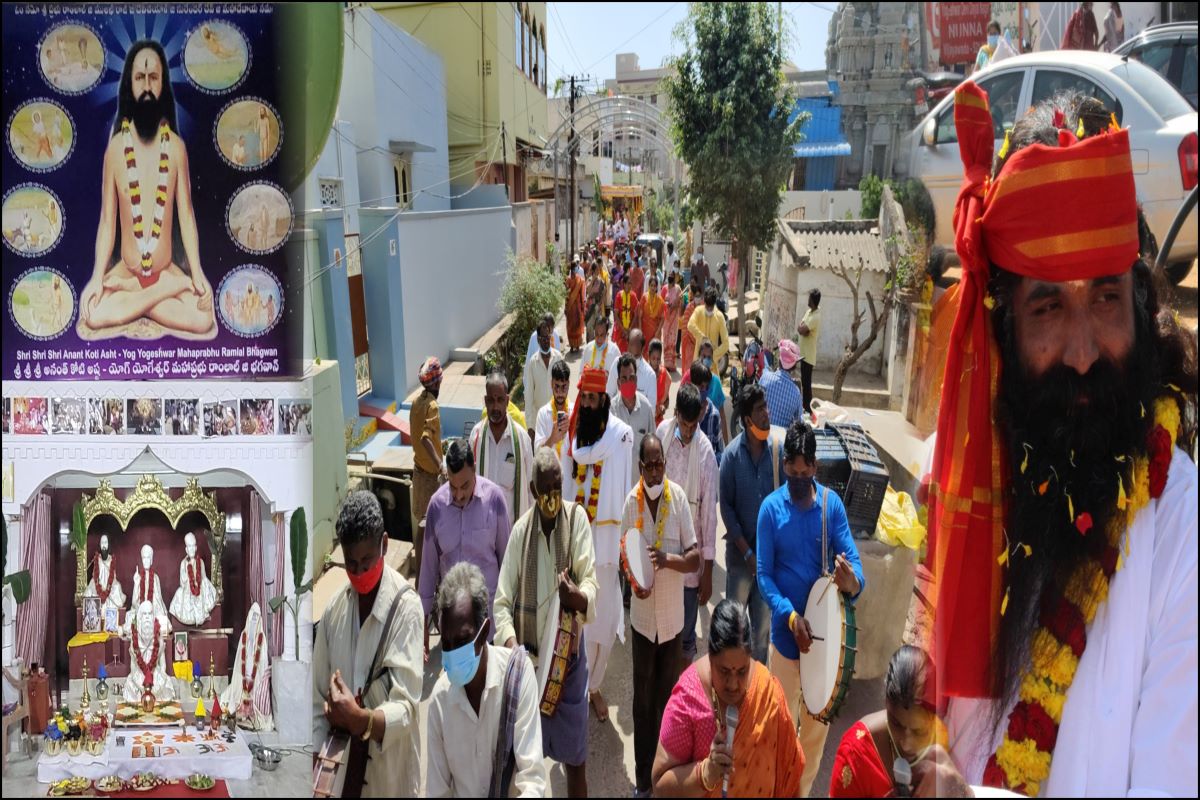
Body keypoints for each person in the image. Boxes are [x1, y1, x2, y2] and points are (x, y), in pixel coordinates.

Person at [925, 85, 1198, 797]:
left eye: (1105, 297)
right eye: (1048, 306)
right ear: (1004, 325)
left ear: (1140, 303)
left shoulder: (1182, 530)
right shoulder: (967, 487)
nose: (1083, 352)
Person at [79, 40, 215, 340]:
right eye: (140, 79)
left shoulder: (176, 149)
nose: (147, 87)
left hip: (166, 269)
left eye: (154, 78)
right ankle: (162, 293)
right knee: (92, 312)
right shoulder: (115, 151)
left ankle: (144, 297)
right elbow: (106, 222)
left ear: (163, 84)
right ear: (130, 84)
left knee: (203, 318)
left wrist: (198, 272)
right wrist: (97, 277)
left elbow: (187, 216)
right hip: (127, 270)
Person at [757, 420, 865, 797]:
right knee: (781, 730)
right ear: (784, 465)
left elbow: (855, 567)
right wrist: (789, 615)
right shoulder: (770, 510)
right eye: (793, 471)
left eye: (806, 472)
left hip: (824, 649)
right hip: (786, 645)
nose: (799, 478)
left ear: (816, 468)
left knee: (814, 738)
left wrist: (851, 581)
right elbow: (763, 575)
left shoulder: (830, 507)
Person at [494, 449, 598, 798]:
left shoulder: (576, 518)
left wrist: (578, 597)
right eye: (545, 490)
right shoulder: (520, 533)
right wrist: (513, 652)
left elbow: (590, 582)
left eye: (558, 486)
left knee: (576, 762)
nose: (553, 496)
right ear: (533, 491)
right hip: (531, 673)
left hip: (569, 670)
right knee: (526, 769)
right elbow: (502, 604)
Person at [313, 491, 423, 797]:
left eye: (367, 561)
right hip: (342, 777)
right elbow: (316, 699)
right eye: (352, 564)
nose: (360, 572)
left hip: (389, 780)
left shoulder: (407, 609)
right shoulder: (334, 611)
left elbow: (407, 708)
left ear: (384, 545)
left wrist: (362, 720)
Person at [652, 599, 805, 797]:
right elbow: (660, 785)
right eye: (724, 671)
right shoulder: (687, 700)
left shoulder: (767, 691)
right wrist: (705, 773)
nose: (733, 684)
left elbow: (790, 770)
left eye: (742, 671)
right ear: (710, 657)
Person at [426, 562, 547, 798]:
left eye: (461, 641)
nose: (451, 653)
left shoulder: (518, 677)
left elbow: (531, 779)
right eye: (446, 644)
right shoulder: (440, 703)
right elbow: (438, 791)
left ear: (484, 631)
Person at [625, 434, 701, 797]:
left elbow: (695, 558)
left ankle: (663, 778)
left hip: (671, 625)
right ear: (640, 467)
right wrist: (635, 577)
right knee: (642, 705)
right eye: (649, 465)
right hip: (642, 623)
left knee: (668, 704)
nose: (655, 472)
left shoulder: (679, 500)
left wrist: (666, 561)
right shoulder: (631, 503)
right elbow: (627, 557)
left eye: (660, 464)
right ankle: (643, 782)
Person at [562, 366, 635, 724]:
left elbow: (628, 489)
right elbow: (564, 490)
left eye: (593, 398)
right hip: (578, 550)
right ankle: (574, 687)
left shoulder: (621, 437)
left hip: (606, 554)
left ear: (604, 400)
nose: (587, 405)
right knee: (576, 625)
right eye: (584, 398)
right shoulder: (573, 442)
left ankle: (595, 687)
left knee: (603, 624)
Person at [419, 438, 511, 655]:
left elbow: (507, 563)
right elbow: (428, 571)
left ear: (474, 470)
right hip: (453, 628)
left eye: (465, 485)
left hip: (489, 623)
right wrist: (422, 622)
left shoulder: (495, 500)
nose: (458, 494)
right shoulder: (436, 507)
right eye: (452, 485)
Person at [720, 384, 785, 664]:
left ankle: (755, 692)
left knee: (761, 635)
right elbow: (727, 509)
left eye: (766, 407)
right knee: (734, 632)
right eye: (759, 410)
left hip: (768, 566)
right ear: (747, 420)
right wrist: (747, 553)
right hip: (740, 563)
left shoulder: (776, 453)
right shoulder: (732, 457)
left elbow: (785, 500)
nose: (766, 414)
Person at [655, 382, 719, 669]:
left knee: (685, 638)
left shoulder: (706, 455)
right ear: (675, 414)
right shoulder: (662, 437)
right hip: (660, 552)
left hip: (689, 565)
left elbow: (708, 516)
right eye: (684, 424)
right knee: (659, 630)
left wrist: (708, 572)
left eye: (694, 426)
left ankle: (681, 687)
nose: (689, 431)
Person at [829, 645, 943, 797]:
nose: (906, 744)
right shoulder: (856, 755)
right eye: (896, 724)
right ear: (886, 704)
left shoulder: (945, 743)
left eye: (919, 732)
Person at [469, 371, 534, 526]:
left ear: (507, 401)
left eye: (500, 400)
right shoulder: (476, 436)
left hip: (513, 531)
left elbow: (531, 487)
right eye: (491, 400)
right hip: (483, 530)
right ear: (485, 401)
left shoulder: (522, 439)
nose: (495, 406)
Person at [411, 356, 445, 586]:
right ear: (436, 384)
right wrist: (440, 465)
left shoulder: (416, 402)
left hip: (418, 473)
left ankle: (420, 579)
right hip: (431, 477)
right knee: (435, 529)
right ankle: (430, 580)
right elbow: (425, 438)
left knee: (422, 529)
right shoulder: (432, 406)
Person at [612, 352, 658, 484]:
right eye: (624, 379)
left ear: (636, 380)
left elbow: (653, 448)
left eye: (631, 378)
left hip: (640, 485)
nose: (628, 382)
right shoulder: (611, 411)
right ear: (618, 383)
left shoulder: (646, 408)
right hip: (617, 484)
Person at [522, 320, 564, 429]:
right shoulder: (533, 362)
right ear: (538, 339)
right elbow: (529, 394)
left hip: (556, 419)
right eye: (543, 338)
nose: (546, 341)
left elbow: (564, 389)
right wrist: (530, 426)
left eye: (548, 337)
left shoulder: (558, 358)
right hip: (539, 421)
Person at [607, 328, 659, 406]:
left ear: (643, 348)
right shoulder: (616, 363)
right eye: (632, 344)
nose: (634, 348)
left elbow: (650, 409)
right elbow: (609, 393)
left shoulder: (650, 375)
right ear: (627, 343)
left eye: (636, 356)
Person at [687, 360, 727, 459]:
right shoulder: (684, 409)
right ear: (692, 384)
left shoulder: (713, 415)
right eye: (701, 387)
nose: (704, 390)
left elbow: (719, 449)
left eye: (707, 387)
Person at [760, 339, 803, 428]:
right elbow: (799, 422)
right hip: (781, 440)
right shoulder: (796, 392)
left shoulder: (764, 378)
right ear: (794, 366)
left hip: (761, 436)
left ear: (779, 361)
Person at [686, 287, 729, 376]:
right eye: (707, 306)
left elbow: (726, 343)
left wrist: (713, 356)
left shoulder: (719, 317)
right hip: (698, 361)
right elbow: (690, 325)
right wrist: (702, 338)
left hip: (712, 366)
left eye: (711, 307)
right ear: (704, 302)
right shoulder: (698, 311)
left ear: (714, 304)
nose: (709, 309)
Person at [533, 359, 572, 459]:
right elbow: (538, 454)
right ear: (551, 384)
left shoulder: (575, 412)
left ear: (569, 384)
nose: (560, 392)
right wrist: (552, 439)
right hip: (551, 474)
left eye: (564, 387)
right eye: (556, 386)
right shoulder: (542, 414)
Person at [797, 290, 821, 416]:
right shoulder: (808, 312)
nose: (807, 300)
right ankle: (805, 408)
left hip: (809, 356)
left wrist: (803, 330)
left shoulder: (816, 316)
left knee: (807, 385)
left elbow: (802, 329)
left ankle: (808, 410)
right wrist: (803, 330)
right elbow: (800, 327)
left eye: (809, 298)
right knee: (804, 383)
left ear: (813, 300)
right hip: (803, 354)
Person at [581, 315, 620, 380]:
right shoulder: (588, 348)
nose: (598, 338)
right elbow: (581, 373)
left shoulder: (614, 351)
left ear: (607, 334)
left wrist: (608, 376)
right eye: (596, 334)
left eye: (602, 335)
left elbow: (619, 377)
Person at [662, 272, 683, 371]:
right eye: (669, 281)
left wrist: (675, 306)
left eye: (672, 281)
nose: (670, 284)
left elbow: (681, 303)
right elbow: (661, 301)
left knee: (672, 341)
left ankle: (672, 364)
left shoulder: (678, 289)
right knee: (666, 341)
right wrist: (667, 305)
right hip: (666, 319)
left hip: (674, 320)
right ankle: (666, 364)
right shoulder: (664, 288)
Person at [648, 338, 671, 426]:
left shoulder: (664, 374)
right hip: (645, 419)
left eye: (658, 359)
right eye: (653, 358)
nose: (656, 362)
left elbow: (667, 399)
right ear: (649, 356)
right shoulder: (644, 373)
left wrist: (663, 407)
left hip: (658, 420)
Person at [565, 259, 586, 353]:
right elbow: (567, 294)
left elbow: (566, 295)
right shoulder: (575, 280)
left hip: (573, 307)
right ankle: (575, 346)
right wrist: (582, 306)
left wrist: (566, 307)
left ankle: (574, 346)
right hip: (574, 307)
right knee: (573, 326)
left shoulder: (577, 280)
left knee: (573, 326)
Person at [614, 273, 639, 353]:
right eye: (628, 283)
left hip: (630, 329)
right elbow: (616, 315)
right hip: (620, 330)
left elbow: (635, 314)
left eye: (630, 283)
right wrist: (623, 329)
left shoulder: (633, 296)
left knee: (630, 352)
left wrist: (630, 328)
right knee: (619, 353)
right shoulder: (619, 295)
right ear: (624, 284)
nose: (629, 285)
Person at [640, 274, 666, 345]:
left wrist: (658, 331)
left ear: (657, 287)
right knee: (645, 353)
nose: (653, 288)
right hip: (645, 331)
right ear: (649, 286)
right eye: (651, 285)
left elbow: (663, 318)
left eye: (654, 286)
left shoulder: (660, 300)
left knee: (654, 353)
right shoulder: (644, 298)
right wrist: (640, 330)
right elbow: (640, 316)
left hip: (655, 333)